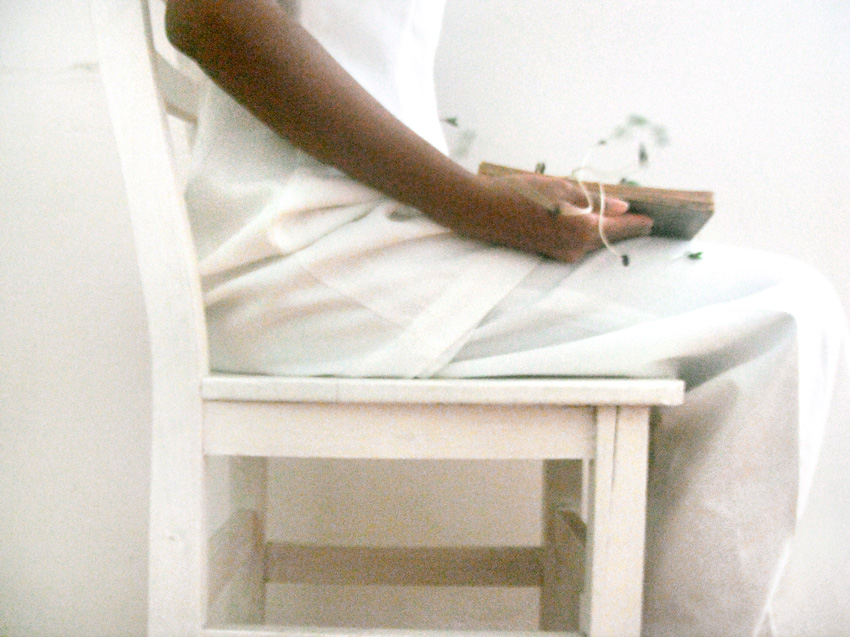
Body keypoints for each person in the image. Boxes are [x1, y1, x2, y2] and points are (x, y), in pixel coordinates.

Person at [165, 0, 850, 634]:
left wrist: (489, 197)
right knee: (782, 314)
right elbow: (208, 15)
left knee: (778, 306)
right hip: (312, 262)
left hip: (339, 250)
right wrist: (476, 206)